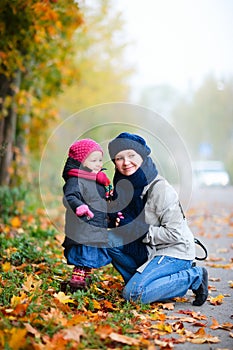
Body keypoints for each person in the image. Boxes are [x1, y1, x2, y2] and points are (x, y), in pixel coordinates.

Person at [107, 132, 208, 306]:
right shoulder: (122, 187)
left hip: (173, 251)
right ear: (114, 162)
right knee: (106, 240)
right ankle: (150, 284)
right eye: (119, 158)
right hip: (148, 250)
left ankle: (194, 276)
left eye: (131, 155)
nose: (126, 162)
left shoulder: (160, 189)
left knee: (133, 296)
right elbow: (121, 222)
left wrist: (134, 229)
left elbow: (174, 234)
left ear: (142, 156)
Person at [62, 138, 112, 290]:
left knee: (90, 257)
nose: (99, 164)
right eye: (94, 160)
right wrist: (80, 206)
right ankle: (77, 281)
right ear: (82, 162)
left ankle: (86, 280)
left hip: (96, 226)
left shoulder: (99, 181)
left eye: (100, 160)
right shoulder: (76, 180)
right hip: (82, 227)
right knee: (83, 255)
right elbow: (69, 196)